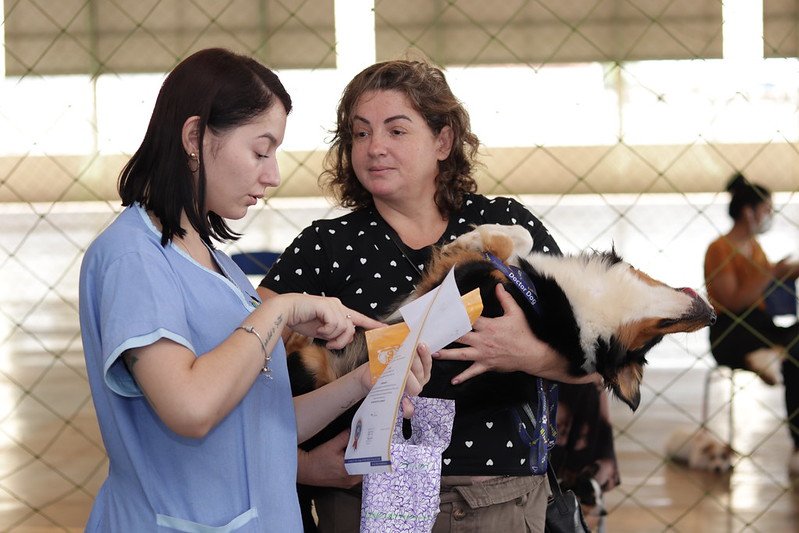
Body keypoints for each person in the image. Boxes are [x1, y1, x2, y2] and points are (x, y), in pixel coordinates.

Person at [78, 48, 431, 532]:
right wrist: (279, 311)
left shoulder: (213, 263)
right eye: (260, 151)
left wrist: (363, 381)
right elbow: (192, 408)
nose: (273, 174)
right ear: (195, 136)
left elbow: (258, 420)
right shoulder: (133, 258)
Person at [258, 59, 596, 532]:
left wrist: (528, 354)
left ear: (443, 141)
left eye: (396, 131)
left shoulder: (505, 231)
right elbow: (245, 360)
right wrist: (300, 464)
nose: (374, 148)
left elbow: (596, 359)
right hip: (363, 501)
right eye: (359, 134)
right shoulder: (325, 247)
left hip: (498, 500)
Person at [704, 172, 799, 474]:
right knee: (782, 348)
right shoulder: (719, 248)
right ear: (749, 211)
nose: (769, 215)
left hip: (761, 324)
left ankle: (772, 354)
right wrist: (771, 273)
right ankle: (767, 352)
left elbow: (764, 285)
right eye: (767, 209)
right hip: (729, 331)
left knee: (796, 354)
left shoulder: (755, 249)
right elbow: (732, 300)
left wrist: (784, 272)